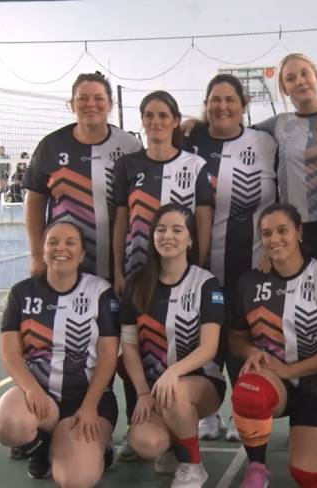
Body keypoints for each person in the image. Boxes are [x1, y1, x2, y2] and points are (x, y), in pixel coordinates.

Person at [111, 90, 211, 460]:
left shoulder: (195, 165)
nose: (155, 122)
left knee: (177, 341)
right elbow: (122, 219)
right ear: (143, 121)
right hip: (138, 271)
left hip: (181, 270)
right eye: (149, 115)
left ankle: (178, 425)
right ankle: (137, 423)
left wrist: (199, 266)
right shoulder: (128, 166)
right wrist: (119, 270)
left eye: (163, 115)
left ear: (174, 120)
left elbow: (203, 220)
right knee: (135, 347)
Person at [229, 203, 317, 488]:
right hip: (274, 381)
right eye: (267, 233)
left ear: (298, 231)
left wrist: (290, 370)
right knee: (249, 392)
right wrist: (252, 351)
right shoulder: (250, 282)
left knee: (311, 478)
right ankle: (257, 467)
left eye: (282, 230)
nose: (275, 239)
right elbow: (235, 339)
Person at [0, 221, 120, 487]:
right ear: (43, 250)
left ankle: (96, 450)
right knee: (5, 424)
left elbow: (108, 357)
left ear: (82, 254)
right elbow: (10, 352)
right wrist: (31, 389)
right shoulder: (22, 293)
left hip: (86, 400)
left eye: (70, 242)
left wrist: (90, 405)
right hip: (42, 394)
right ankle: (41, 447)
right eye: (53, 242)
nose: (61, 248)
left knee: (75, 480)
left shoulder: (100, 292)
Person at [184, 73, 278, 441]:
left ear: (243, 105)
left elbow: (281, 201)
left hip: (254, 263)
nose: (222, 106)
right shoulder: (190, 140)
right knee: (202, 337)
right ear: (205, 105)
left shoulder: (265, 143)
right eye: (214, 100)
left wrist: (274, 249)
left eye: (230, 99)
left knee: (246, 336)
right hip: (201, 264)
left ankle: (245, 407)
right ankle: (207, 412)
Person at [120, 203, 225, 487]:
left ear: (190, 239)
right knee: (145, 442)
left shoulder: (205, 283)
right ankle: (172, 448)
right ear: (153, 237)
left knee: (176, 390)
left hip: (201, 386)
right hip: (155, 389)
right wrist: (142, 392)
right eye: (161, 230)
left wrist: (173, 372)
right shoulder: (137, 285)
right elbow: (129, 348)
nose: (168, 236)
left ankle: (192, 466)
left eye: (177, 230)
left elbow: (209, 348)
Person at [23, 71, 142, 280]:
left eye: (98, 98)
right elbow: (34, 200)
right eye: (82, 98)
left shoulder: (130, 146)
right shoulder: (50, 146)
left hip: (120, 264)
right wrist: (36, 255)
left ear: (110, 105)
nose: (91, 104)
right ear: (71, 104)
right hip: (66, 263)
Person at [254, 53, 317, 256]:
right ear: (284, 89)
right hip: (293, 230)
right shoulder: (278, 124)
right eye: (290, 79)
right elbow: (235, 131)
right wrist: (198, 124)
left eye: (304, 74)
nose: (299, 81)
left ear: (316, 76)